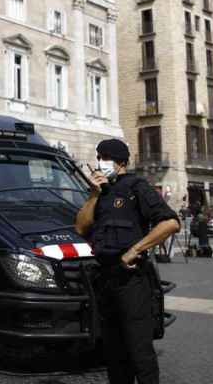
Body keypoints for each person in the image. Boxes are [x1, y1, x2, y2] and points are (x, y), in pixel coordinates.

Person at [75, 139, 181, 384]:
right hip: (105, 279)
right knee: (113, 353)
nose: (100, 162)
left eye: (105, 158)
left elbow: (170, 223)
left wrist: (135, 249)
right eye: (98, 157)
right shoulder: (99, 192)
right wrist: (93, 194)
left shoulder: (137, 187)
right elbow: (81, 227)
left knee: (139, 351)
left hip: (132, 279)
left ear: (121, 162)